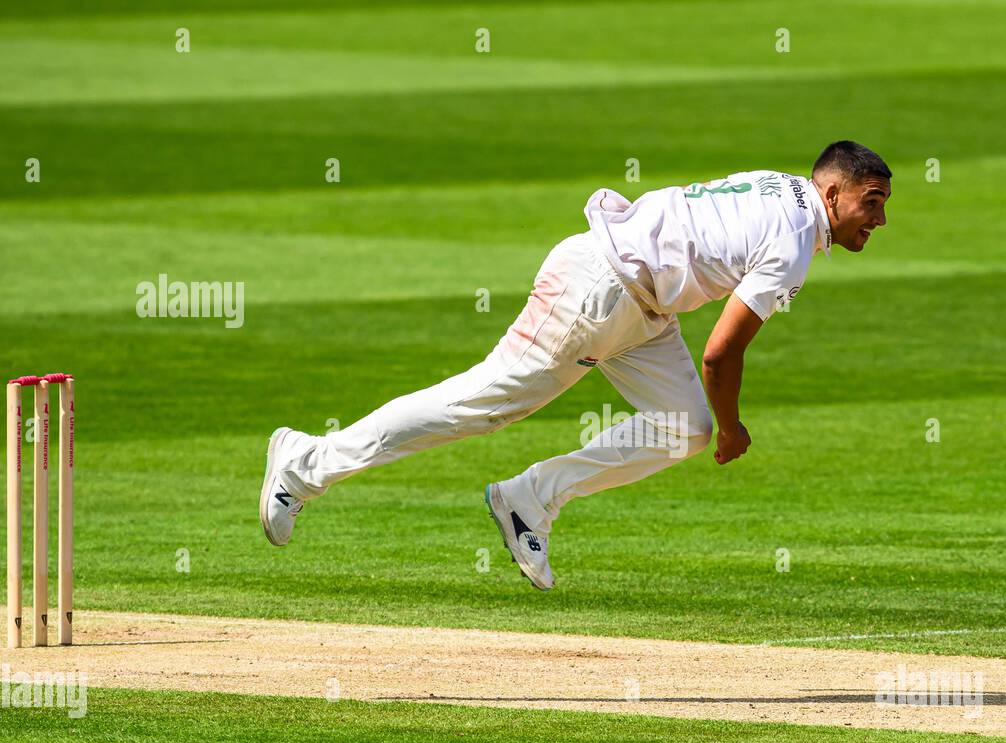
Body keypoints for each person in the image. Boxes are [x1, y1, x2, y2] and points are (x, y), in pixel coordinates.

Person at [260, 140, 892, 590]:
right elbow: (721, 353)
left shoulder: (779, 185)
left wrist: (714, 427)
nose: (880, 218)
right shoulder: (793, 241)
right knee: (478, 405)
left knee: (684, 428)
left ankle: (529, 499)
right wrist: (734, 429)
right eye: (871, 201)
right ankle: (305, 463)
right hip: (600, 289)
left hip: (643, 310)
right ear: (832, 192)